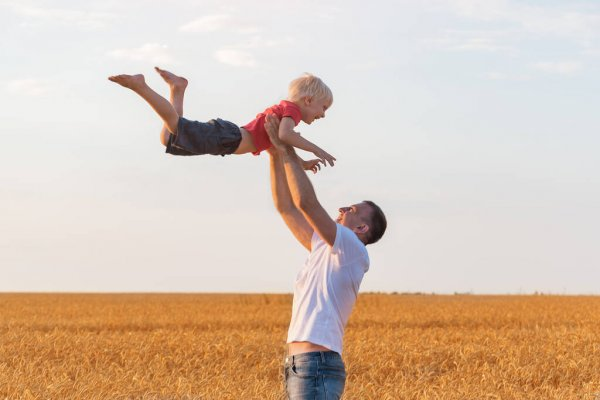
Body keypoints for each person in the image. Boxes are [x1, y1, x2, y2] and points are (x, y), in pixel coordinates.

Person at [264, 114, 387, 399]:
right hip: (301, 365)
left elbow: (305, 202)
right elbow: (287, 208)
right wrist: (273, 154)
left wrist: (287, 150)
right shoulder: (326, 248)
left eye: (352, 210)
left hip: (316, 366)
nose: (343, 208)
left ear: (361, 228)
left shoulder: (353, 249)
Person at [107, 68, 335, 171]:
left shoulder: (285, 112)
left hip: (227, 140)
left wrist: (302, 164)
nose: (323, 114)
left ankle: (178, 89)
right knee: (174, 127)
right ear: (307, 100)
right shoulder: (292, 111)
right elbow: (285, 136)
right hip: (229, 137)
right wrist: (316, 150)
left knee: (168, 137)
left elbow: (276, 143)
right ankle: (140, 86)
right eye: (323, 107)